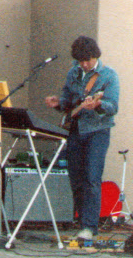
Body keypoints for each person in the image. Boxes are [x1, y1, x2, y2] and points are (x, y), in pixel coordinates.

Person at [45, 36, 119, 240]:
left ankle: (90, 227)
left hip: (98, 131)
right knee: (76, 177)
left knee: (92, 177)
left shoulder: (108, 76)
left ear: (96, 56)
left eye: (88, 60)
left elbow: (113, 106)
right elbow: (69, 101)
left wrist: (98, 105)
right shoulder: (74, 72)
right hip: (77, 130)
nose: (84, 64)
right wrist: (58, 103)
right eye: (81, 61)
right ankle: (81, 221)